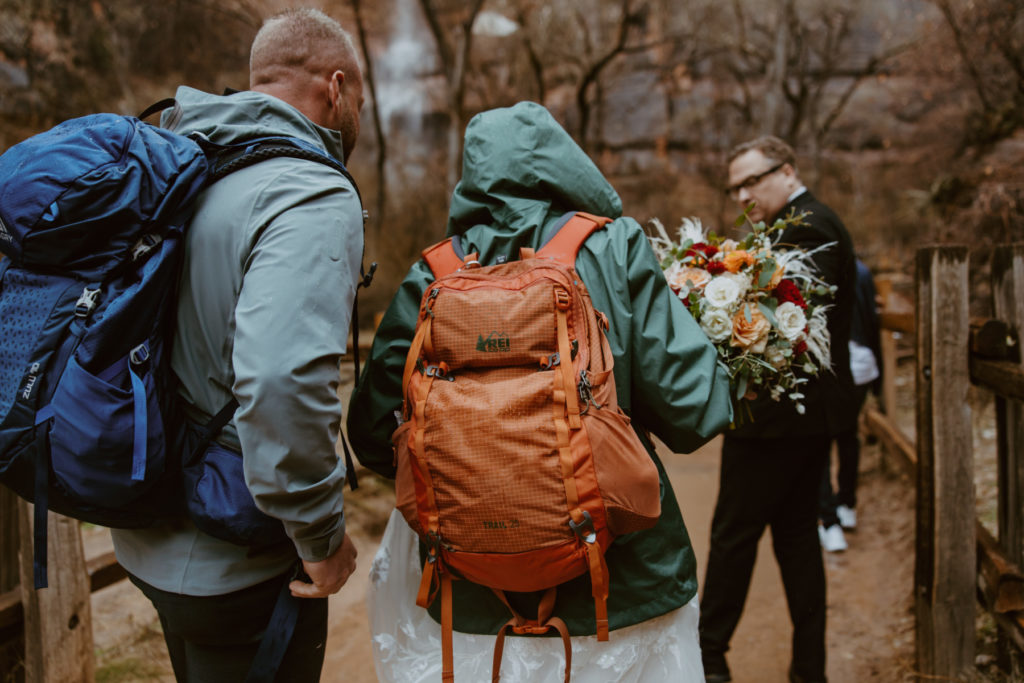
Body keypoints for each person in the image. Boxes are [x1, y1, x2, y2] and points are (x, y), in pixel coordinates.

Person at [347, 101, 733, 682]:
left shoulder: (435, 271)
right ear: (565, 164)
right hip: (619, 588)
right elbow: (695, 410)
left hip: (468, 594)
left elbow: (375, 432)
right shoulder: (615, 246)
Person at [110, 9, 364, 681]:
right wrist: (321, 540)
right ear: (334, 89)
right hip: (238, 556)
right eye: (359, 98)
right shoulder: (309, 190)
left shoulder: (186, 159)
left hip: (146, 535)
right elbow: (281, 381)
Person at [698, 135, 857, 683]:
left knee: (734, 534)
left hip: (779, 418)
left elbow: (789, 319)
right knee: (794, 535)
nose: (742, 194)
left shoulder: (808, 226)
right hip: (802, 418)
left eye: (752, 180)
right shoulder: (796, 222)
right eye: (734, 186)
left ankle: (708, 656)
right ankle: (808, 669)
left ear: (786, 171)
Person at [819, 258, 882, 543]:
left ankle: (830, 521)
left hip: (830, 364)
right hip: (861, 364)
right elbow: (872, 321)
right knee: (848, 435)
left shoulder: (818, 267)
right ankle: (847, 505)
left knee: (820, 440)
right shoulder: (863, 273)